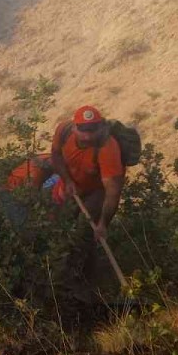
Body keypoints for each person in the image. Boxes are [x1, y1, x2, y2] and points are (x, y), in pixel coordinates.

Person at [49, 104, 126, 303]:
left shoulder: (108, 148)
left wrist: (103, 224)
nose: (87, 136)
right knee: (58, 228)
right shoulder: (63, 131)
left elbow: (112, 192)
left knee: (84, 233)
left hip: (95, 192)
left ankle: (88, 284)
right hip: (71, 186)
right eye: (83, 130)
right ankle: (59, 279)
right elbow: (56, 155)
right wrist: (67, 180)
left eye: (92, 130)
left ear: (100, 128)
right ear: (74, 127)